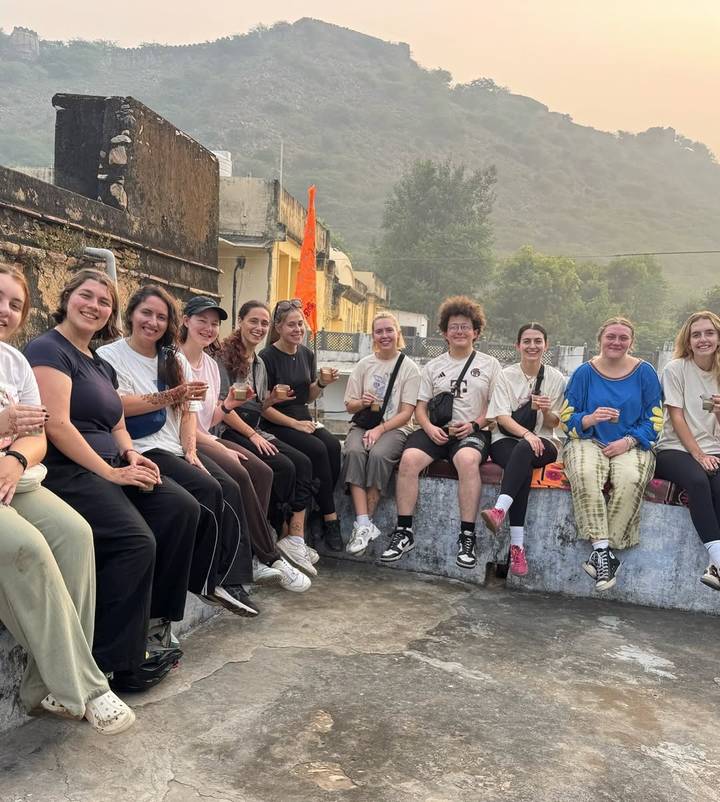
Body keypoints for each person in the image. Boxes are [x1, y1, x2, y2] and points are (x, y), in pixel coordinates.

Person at [24, 268, 198, 694]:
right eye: (87, 296)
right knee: (135, 540)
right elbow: (59, 426)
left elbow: (118, 423)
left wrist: (132, 455)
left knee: (181, 508)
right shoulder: (49, 350)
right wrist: (111, 472)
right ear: (66, 298)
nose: (94, 307)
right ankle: (112, 661)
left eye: (104, 302)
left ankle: (154, 624)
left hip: (111, 461)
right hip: (70, 468)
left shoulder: (98, 363)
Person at [0, 263, 134, 734]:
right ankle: (88, 686)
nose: (5, 311)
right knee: (29, 548)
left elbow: (37, 435)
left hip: (17, 476)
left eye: (15, 305)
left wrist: (16, 457)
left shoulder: (13, 362)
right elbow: (51, 423)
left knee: (77, 534)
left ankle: (45, 686)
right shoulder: (46, 352)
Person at [96, 285, 257, 617]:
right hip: (142, 447)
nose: (152, 322)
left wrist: (191, 450)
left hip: (173, 447)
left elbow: (190, 410)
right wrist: (173, 396)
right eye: (146, 314)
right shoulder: (111, 356)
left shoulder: (173, 358)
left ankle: (219, 579)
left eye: (160, 317)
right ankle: (207, 580)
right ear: (131, 315)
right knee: (207, 491)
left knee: (224, 485)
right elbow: (118, 407)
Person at [178, 296, 310, 592]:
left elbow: (215, 414)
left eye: (214, 324)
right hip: (196, 439)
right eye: (203, 321)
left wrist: (230, 405)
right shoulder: (183, 361)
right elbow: (186, 424)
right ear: (185, 321)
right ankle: (268, 555)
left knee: (266, 471)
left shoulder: (213, 365)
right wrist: (243, 436)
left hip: (213, 433)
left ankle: (264, 549)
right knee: (242, 472)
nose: (209, 328)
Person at [381, 296, 501, 569]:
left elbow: (496, 408)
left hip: (473, 431)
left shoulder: (491, 365)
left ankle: (467, 536)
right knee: (409, 460)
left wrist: (474, 425)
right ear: (445, 333)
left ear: (476, 332)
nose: (460, 331)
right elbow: (420, 408)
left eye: (465, 326)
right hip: (437, 430)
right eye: (454, 327)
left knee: (467, 461)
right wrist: (430, 428)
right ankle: (404, 532)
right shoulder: (433, 367)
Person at [561, 317, 662, 592]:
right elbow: (567, 418)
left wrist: (628, 441)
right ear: (600, 339)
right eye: (611, 337)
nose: (616, 342)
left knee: (630, 478)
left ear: (631, 342)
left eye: (623, 338)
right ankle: (605, 552)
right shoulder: (584, 373)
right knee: (584, 473)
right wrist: (590, 419)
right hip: (589, 440)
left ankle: (601, 555)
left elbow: (654, 421)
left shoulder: (645, 373)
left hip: (631, 442)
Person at [220, 300, 317, 581]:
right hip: (231, 430)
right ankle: (269, 538)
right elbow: (223, 409)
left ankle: (287, 534)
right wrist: (252, 435)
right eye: (253, 321)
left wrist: (272, 399)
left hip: (254, 427)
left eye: (263, 323)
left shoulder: (259, 363)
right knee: (278, 467)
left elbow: (258, 406)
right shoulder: (225, 357)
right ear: (240, 321)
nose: (259, 328)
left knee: (300, 463)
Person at [260, 299, 345, 557]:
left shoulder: (306, 354)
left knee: (332, 447)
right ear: (278, 327)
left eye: (301, 324)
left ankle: (319, 507)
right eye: (291, 325)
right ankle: (330, 517)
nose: (298, 329)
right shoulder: (267, 357)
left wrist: (321, 382)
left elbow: (306, 397)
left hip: (303, 417)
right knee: (317, 450)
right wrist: (295, 424)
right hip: (277, 420)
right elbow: (263, 406)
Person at [481, 323, 566, 576]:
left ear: (546, 345)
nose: (532, 346)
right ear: (518, 346)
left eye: (538, 341)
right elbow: (501, 417)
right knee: (523, 461)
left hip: (545, 441)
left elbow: (554, 424)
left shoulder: (556, 378)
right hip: (506, 439)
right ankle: (517, 548)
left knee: (525, 452)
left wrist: (545, 410)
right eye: (527, 341)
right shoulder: (506, 376)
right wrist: (527, 434)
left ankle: (499, 510)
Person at [342, 312, 421, 555]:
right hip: (364, 423)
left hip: (394, 427)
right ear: (373, 336)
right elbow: (349, 405)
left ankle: (366, 522)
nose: (384, 335)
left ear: (398, 333)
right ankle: (364, 523)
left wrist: (380, 429)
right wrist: (362, 403)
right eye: (379, 331)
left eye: (389, 330)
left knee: (377, 455)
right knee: (354, 450)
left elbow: (407, 412)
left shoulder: (410, 368)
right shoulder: (364, 364)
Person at [655, 311, 720, 591]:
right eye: (696, 334)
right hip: (675, 449)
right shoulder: (676, 369)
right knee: (696, 480)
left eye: (709, 333)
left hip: (714, 450)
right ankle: (718, 559)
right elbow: (677, 417)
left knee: (718, 485)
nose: (703, 339)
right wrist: (698, 455)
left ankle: (715, 570)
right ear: (688, 340)